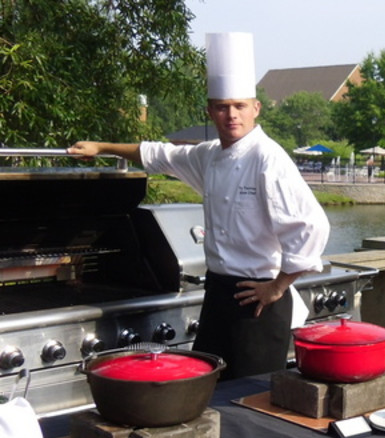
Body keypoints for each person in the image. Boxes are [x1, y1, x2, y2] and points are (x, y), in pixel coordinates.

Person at [68, 33, 330, 379]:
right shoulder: (209, 155)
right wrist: (102, 147)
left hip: (258, 300)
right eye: (222, 107)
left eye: (239, 106)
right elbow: (159, 154)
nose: (231, 115)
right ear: (210, 111)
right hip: (218, 293)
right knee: (210, 388)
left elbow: (312, 227)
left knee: (249, 400)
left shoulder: (269, 159)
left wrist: (278, 286)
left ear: (256, 108)